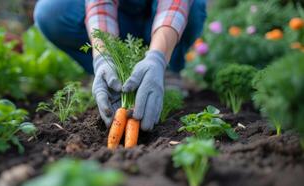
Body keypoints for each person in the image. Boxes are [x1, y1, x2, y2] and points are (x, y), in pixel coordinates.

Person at [34, 0, 207, 131]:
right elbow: (100, 4)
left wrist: (157, 58)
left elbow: (174, 5)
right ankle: (111, 76)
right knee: (51, 11)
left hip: (163, 21)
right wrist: (104, 58)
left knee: (195, 5)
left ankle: (167, 70)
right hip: (122, 20)